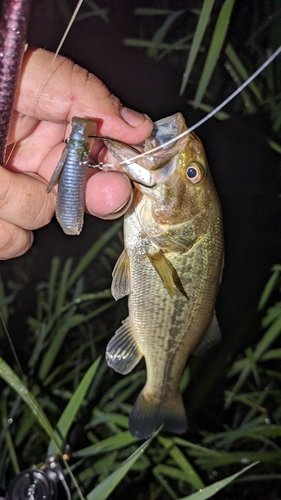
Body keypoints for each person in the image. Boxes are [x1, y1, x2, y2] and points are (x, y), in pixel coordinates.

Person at [1, 47, 153, 260]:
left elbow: (58, 173)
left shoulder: (73, 146)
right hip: (69, 204)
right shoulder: (72, 147)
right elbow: (58, 173)